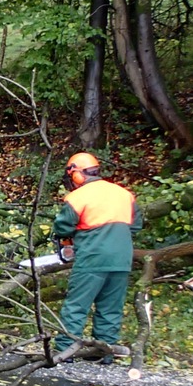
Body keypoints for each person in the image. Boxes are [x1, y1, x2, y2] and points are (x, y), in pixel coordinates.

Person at [52, 152, 142, 364]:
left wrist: (74, 240)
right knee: (111, 308)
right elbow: (136, 226)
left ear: (76, 174)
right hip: (122, 259)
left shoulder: (78, 197)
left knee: (76, 305)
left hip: (92, 257)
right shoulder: (124, 194)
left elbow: (62, 227)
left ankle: (66, 351)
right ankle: (103, 353)